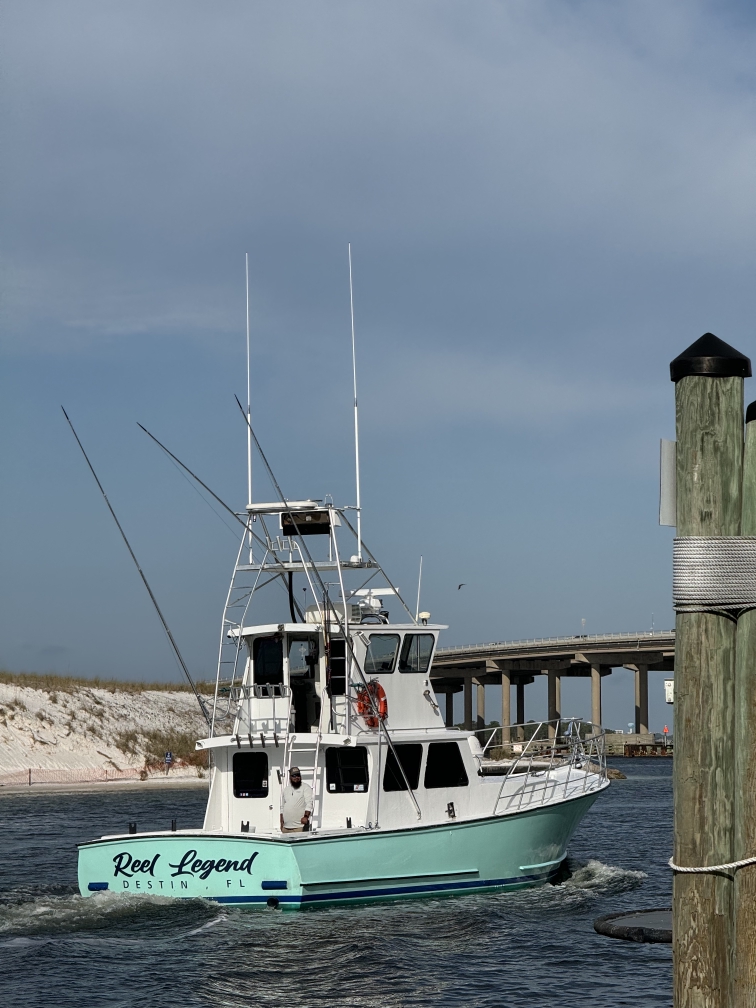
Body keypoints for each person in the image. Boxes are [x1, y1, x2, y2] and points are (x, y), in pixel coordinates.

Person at [280, 767, 313, 832]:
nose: (296, 777)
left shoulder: (306, 787)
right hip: (286, 827)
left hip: (299, 827)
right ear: (290, 777)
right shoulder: (286, 789)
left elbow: (309, 803)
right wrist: (281, 823)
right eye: (294, 776)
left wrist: (306, 816)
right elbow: (282, 807)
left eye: (298, 775)